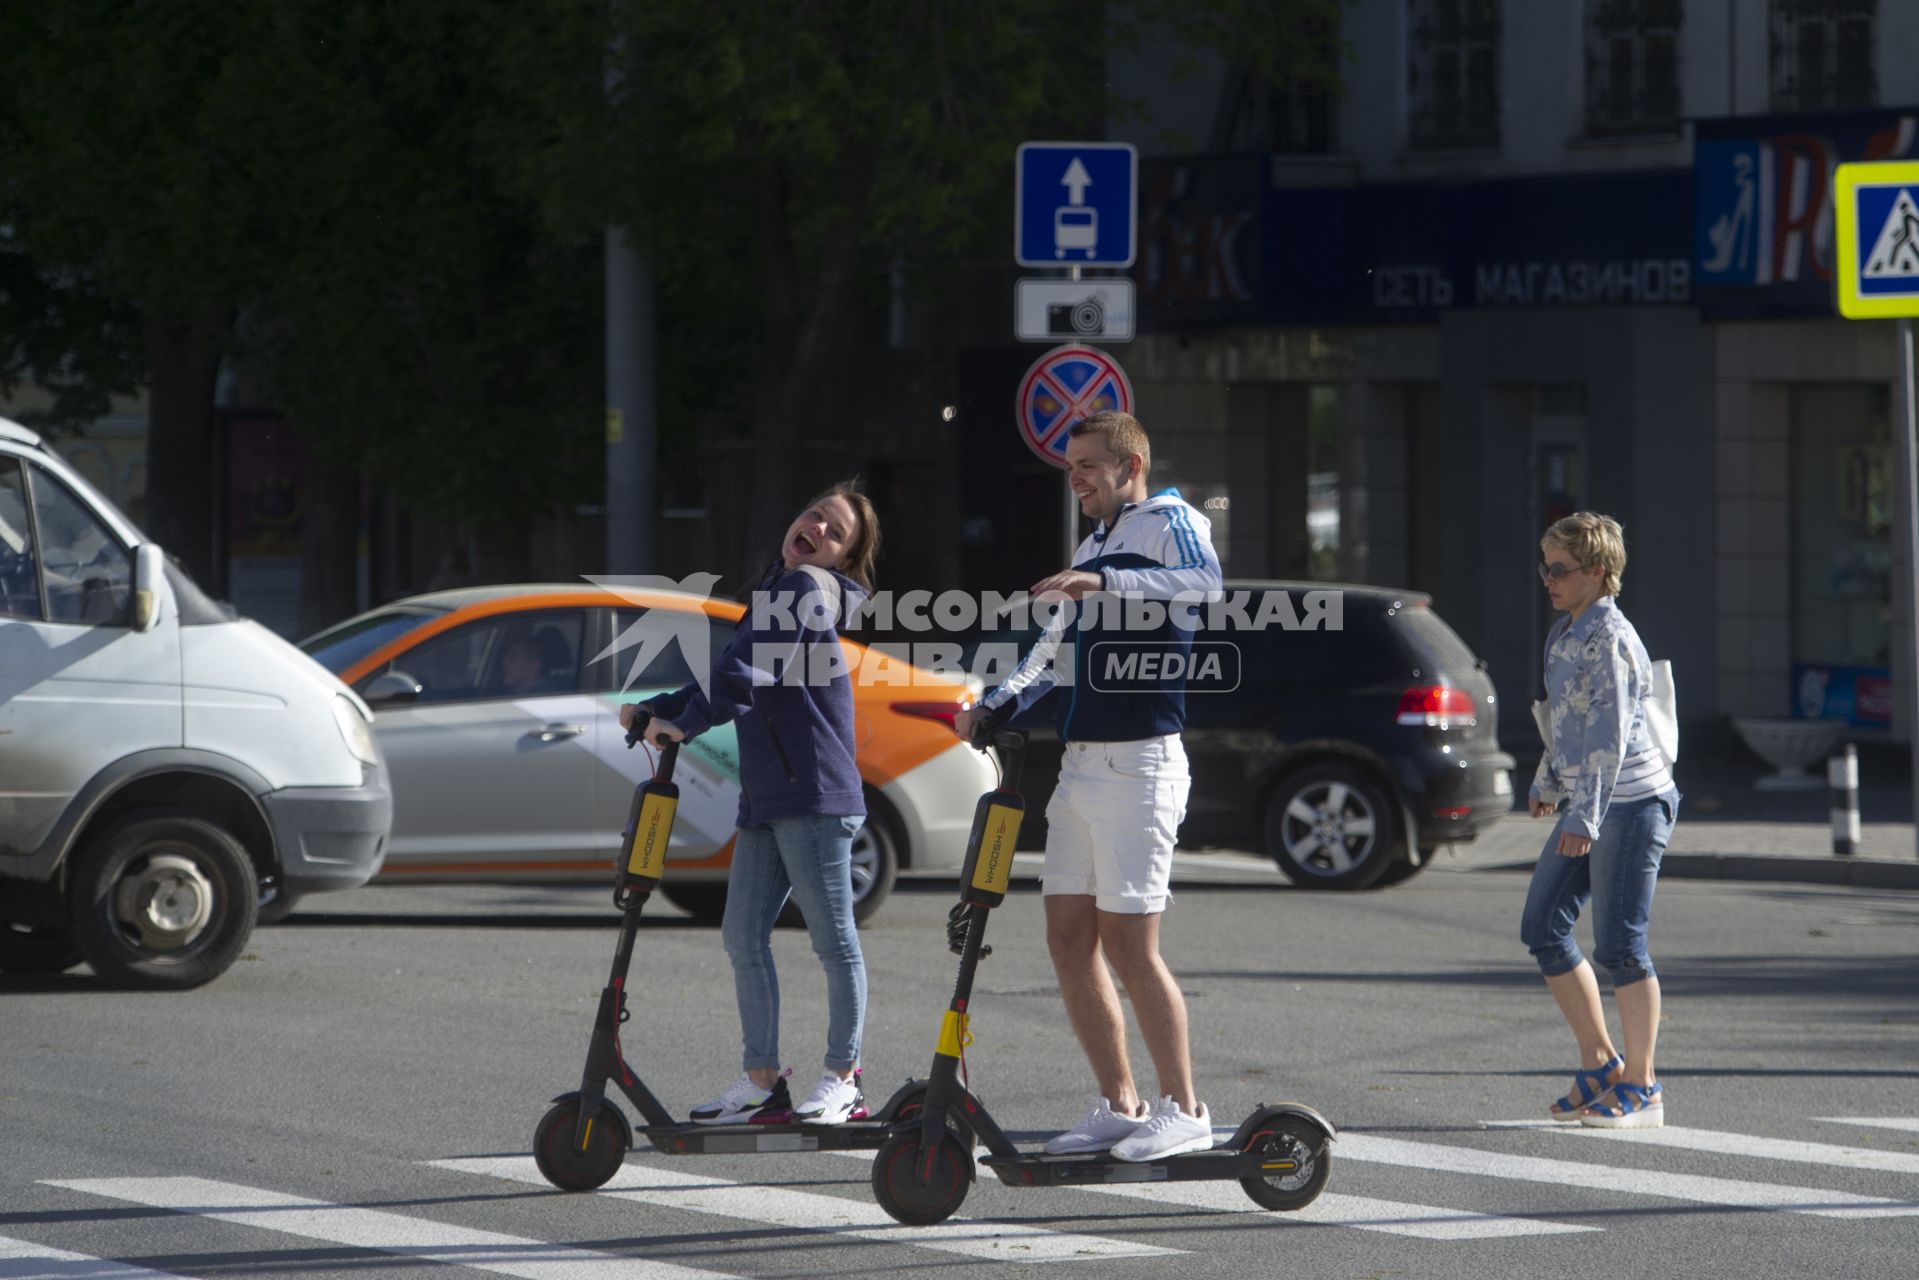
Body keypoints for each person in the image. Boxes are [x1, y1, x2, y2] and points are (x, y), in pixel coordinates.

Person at [955, 410, 1223, 1163]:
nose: (1075, 479)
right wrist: (998, 704)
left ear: (1129, 466)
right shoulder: (1095, 541)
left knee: (1131, 947)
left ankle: (1185, 1108)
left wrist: (1102, 578)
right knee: (1069, 939)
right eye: (1070, 467)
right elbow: (1053, 648)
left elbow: (1206, 586)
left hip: (1141, 763)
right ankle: (1120, 1104)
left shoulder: (1172, 519)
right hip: (1079, 766)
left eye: (1087, 466)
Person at [620, 480, 881, 1126]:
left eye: (835, 532)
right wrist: (661, 710)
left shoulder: (804, 590)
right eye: (814, 514)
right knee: (742, 935)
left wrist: (690, 724)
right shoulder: (777, 589)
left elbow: (751, 670)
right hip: (769, 795)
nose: (817, 528)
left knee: (833, 941)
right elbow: (723, 673)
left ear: (843, 560)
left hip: (814, 793)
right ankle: (762, 1082)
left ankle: (843, 1078)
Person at [1522, 511, 1680, 1130]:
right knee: (1542, 925)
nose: (1548, 580)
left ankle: (1642, 1085)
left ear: (1597, 572)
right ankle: (1599, 1064)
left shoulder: (1609, 637)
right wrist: (1546, 783)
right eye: (1544, 568)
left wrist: (1582, 817)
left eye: (1559, 570)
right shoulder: (1565, 633)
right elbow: (1568, 721)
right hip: (1590, 802)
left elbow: (1610, 739)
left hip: (1633, 804)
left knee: (1620, 946)